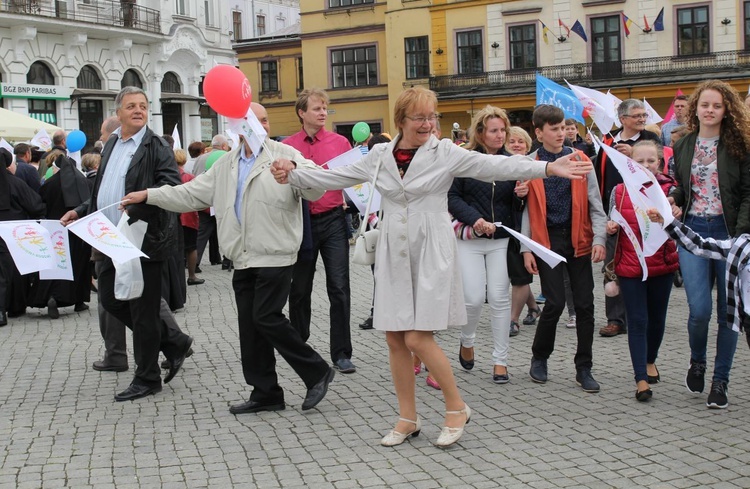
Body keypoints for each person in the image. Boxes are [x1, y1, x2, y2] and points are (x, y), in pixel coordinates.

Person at [271, 87, 593, 447]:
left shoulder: (445, 153)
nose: (427, 124)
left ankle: (456, 407)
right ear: (401, 121)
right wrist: (295, 173)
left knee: (417, 337)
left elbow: (496, 166)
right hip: (394, 247)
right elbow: (334, 176)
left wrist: (547, 167)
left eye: (431, 116)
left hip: (432, 247)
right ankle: (407, 417)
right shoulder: (379, 154)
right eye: (419, 117)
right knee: (395, 337)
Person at [121, 102, 336, 415]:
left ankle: (316, 370)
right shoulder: (227, 164)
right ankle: (265, 392)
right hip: (241, 255)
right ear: (238, 127)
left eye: (264, 120)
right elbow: (189, 195)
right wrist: (149, 195)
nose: (260, 126)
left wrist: (295, 173)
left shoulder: (283, 154)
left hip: (275, 253)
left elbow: (318, 186)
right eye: (253, 121)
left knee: (266, 317)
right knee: (250, 327)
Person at [60, 86, 194, 402]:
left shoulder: (155, 146)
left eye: (143, 106)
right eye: (131, 106)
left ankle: (147, 378)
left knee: (143, 309)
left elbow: (170, 188)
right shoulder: (110, 145)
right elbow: (101, 191)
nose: (138, 110)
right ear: (118, 113)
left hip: (141, 237)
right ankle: (173, 342)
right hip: (107, 238)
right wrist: (80, 210)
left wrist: (140, 202)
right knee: (110, 297)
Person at [668, 80, 750, 409]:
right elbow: (682, 188)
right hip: (694, 232)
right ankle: (697, 360)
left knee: (727, 313)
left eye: (717, 105)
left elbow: (747, 193)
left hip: (729, 231)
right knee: (699, 310)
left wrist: (742, 234)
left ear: (727, 109)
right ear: (696, 108)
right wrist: (675, 199)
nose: (711, 110)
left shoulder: (740, 146)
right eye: (705, 105)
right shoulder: (684, 144)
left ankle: (721, 380)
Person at [523, 104, 607, 393]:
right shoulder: (530, 163)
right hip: (546, 241)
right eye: (554, 129)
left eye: (563, 128)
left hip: (578, 238)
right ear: (539, 132)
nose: (561, 133)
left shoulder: (581, 159)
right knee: (556, 303)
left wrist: (599, 239)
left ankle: (584, 367)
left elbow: (596, 204)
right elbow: (525, 210)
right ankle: (539, 357)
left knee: (585, 305)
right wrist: (526, 249)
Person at [284, 88, 357, 374]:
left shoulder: (340, 143)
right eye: (317, 108)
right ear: (302, 113)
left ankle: (341, 353)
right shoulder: (287, 146)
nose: (323, 113)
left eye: (325, 108)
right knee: (299, 289)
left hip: (334, 221)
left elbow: (356, 180)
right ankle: (299, 348)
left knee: (339, 288)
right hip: (300, 223)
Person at [448, 105, 519, 384]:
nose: (500, 135)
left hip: (500, 239)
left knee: (501, 298)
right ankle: (467, 339)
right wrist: (475, 220)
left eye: (503, 130)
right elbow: (452, 198)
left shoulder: (511, 162)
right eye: (494, 130)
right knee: (474, 297)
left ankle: (500, 362)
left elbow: (515, 206)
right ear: (480, 132)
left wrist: (520, 195)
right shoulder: (465, 160)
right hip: (471, 238)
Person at [605, 141, 679, 402]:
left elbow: (677, 226)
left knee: (657, 319)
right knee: (638, 320)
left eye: (651, 161)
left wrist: (675, 214)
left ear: (660, 163)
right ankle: (641, 380)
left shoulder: (669, 191)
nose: (645, 166)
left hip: (662, 265)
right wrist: (611, 225)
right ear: (630, 163)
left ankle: (650, 360)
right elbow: (612, 218)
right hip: (630, 266)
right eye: (640, 161)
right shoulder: (619, 191)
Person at [595, 99, 661, 338]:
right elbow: (599, 173)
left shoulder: (651, 140)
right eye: (637, 115)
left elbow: (657, 172)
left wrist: (633, 155)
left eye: (644, 115)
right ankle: (614, 318)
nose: (642, 119)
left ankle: (640, 315)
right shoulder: (608, 139)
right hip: (614, 210)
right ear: (622, 119)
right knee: (612, 265)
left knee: (642, 264)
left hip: (644, 211)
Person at [27, 154, 92, 318]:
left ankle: (51, 296)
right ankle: (79, 301)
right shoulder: (83, 181)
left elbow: (40, 204)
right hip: (78, 231)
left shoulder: (50, 183)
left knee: (55, 266)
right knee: (79, 266)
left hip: (54, 230)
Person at [0, 148, 46, 326]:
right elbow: (34, 205)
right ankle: (13, 307)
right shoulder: (15, 183)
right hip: (13, 235)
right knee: (13, 271)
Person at [504, 127, 544, 333]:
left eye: (521, 142)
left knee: (520, 275)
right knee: (517, 274)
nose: (517, 145)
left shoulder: (534, 168)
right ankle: (533, 307)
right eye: (512, 142)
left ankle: (512, 320)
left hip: (527, 228)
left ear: (528, 145)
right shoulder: (499, 167)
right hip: (507, 227)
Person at [174, 149, 203, 286]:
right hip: (189, 216)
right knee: (191, 247)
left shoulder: (170, 176)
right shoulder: (190, 177)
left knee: (176, 249)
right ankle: (192, 275)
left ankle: (177, 277)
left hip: (174, 217)